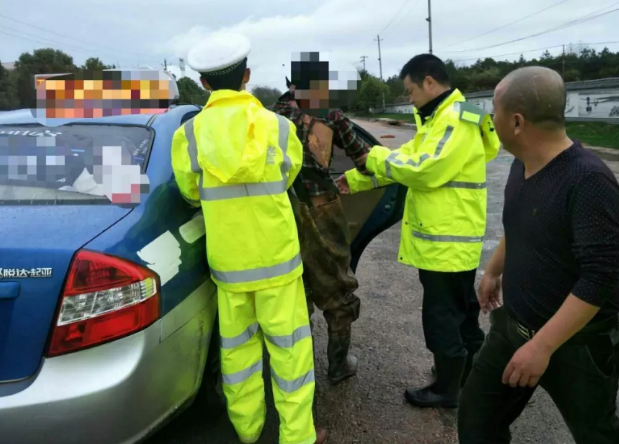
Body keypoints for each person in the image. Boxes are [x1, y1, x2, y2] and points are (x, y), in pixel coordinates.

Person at [170, 33, 327, 444]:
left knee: (237, 353)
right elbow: (288, 175)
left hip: (228, 263)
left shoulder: (188, 135)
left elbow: (189, 193)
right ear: (248, 76)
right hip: (278, 261)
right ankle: (298, 437)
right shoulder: (278, 126)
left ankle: (248, 429)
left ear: (203, 84)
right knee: (291, 353)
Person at [458, 66, 619, 444]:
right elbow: (519, 224)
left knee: (597, 435)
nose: (490, 119)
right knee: (477, 420)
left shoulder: (588, 181)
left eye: (493, 111)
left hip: (576, 345)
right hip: (513, 327)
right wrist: (494, 270)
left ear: (516, 121)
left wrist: (542, 346)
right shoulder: (524, 161)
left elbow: (601, 277)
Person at [337, 54, 501, 408]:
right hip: (452, 239)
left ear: (429, 82)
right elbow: (406, 159)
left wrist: (372, 158)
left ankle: (447, 389)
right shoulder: (440, 119)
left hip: (447, 242)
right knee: (461, 311)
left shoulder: (456, 119)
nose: (408, 97)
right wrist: (354, 179)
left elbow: (424, 169)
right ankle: (471, 374)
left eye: (410, 90)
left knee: (442, 317)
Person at [272, 54, 371, 385]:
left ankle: (297, 370)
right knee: (337, 289)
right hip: (323, 210)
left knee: (293, 294)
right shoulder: (330, 114)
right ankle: (339, 365)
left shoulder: (272, 116)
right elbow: (365, 158)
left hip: (282, 212)